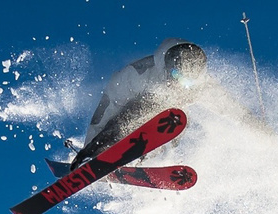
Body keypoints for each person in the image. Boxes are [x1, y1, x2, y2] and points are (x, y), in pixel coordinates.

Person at [63, 38, 256, 171]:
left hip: (164, 124)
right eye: (177, 77)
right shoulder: (139, 73)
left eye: (189, 82)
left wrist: (257, 126)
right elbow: (107, 106)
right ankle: (105, 153)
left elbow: (232, 109)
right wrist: (90, 147)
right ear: (168, 68)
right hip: (123, 118)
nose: (183, 86)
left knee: (176, 116)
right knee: (149, 104)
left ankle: (140, 162)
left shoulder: (202, 86)